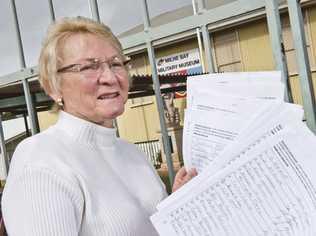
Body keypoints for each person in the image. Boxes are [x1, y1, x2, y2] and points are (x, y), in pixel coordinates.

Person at [1, 17, 197, 235]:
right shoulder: (40, 160)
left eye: (115, 64)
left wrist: (176, 204)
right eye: (89, 66)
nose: (110, 77)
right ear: (53, 87)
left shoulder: (130, 152)